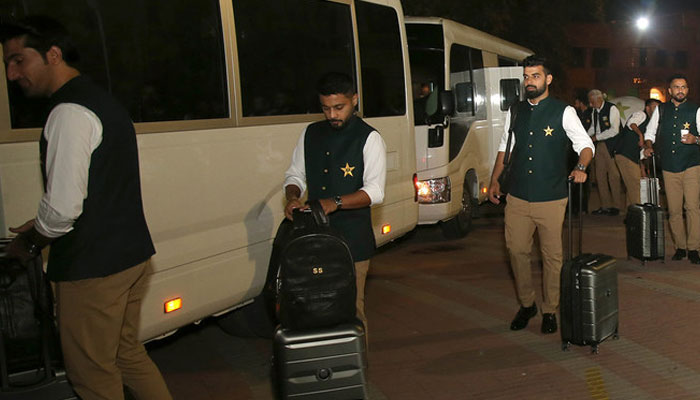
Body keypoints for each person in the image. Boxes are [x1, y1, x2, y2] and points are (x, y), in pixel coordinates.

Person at [2, 17, 172, 399]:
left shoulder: (68, 112)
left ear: (53, 54)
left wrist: (31, 240)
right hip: (130, 255)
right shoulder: (100, 100)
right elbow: (102, 186)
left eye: (18, 60)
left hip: (93, 269)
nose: (12, 74)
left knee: (93, 376)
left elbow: (63, 210)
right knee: (128, 355)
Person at [488, 56, 594, 334]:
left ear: (548, 79)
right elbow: (505, 147)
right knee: (516, 250)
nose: (529, 81)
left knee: (552, 257)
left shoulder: (564, 111)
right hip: (518, 195)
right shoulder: (516, 110)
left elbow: (585, 145)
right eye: (526, 76)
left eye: (535, 76)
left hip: (551, 195)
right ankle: (527, 304)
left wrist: (581, 166)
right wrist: (494, 180)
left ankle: (550, 309)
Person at [284, 72, 386, 335]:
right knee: (316, 307)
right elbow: (295, 174)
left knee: (352, 310)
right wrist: (293, 196)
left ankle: (357, 369)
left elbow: (375, 192)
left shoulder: (369, 137)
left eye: (339, 108)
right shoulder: (310, 133)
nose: (332, 115)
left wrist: (335, 202)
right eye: (326, 108)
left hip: (353, 241)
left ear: (354, 100)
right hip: (315, 238)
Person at [644, 74, 700, 264]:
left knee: (692, 207)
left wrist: (696, 139)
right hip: (668, 165)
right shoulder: (661, 109)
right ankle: (680, 247)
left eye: (684, 87)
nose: (680, 90)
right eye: (676, 87)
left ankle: (694, 248)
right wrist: (648, 145)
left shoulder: (696, 109)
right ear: (670, 91)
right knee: (674, 210)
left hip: (692, 164)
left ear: (687, 90)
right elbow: (649, 133)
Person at [583, 89, 623, 216]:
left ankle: (616, 206)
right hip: (600, 145)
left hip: (612, 145)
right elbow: (593, 128)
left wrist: (596, 137)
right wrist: (585, 137)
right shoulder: (595, 111)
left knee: (613, 176)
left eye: (591, 101)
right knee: (600, 176)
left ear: (598, 99)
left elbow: (614, 130)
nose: (590, 104)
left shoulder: (612, 109)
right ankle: (605, 206)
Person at [615, 99, 660, 207]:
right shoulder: (641, 114)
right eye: (655, 107)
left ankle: (632, 214)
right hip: (625, 154)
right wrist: (640, 135)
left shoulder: (651, 124)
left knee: (632, 185)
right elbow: (632, 123)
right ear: (648, 108)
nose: (657, 111)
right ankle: (639, 215)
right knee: (635, 184)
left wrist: (642, 168)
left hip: (631, 156)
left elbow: (641, 148)